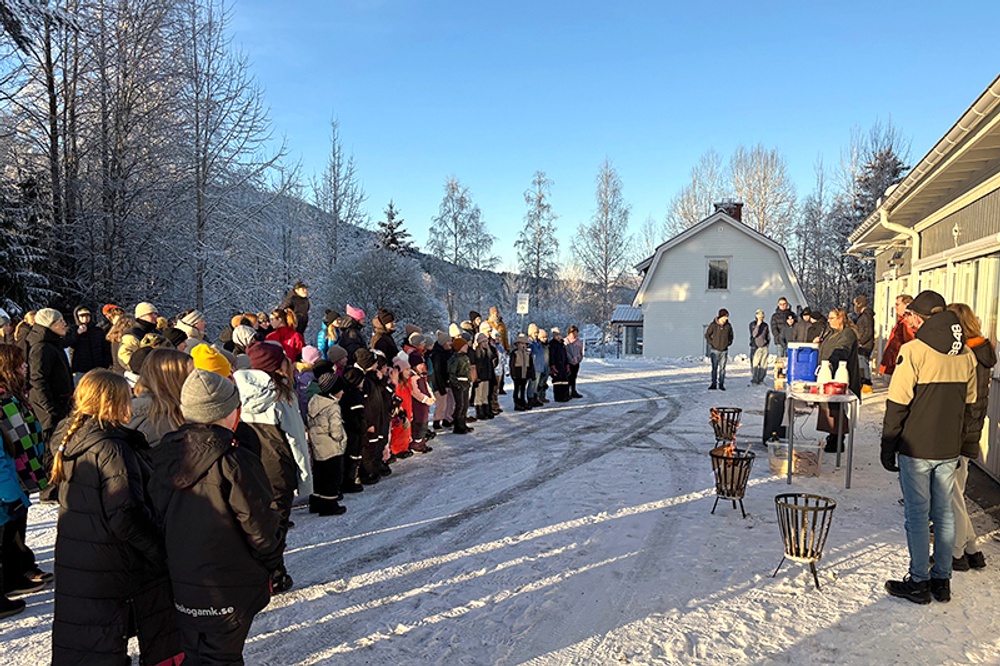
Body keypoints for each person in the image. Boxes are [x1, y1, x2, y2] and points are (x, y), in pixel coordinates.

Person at [151, 368, 283, 664]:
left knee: (200, 652)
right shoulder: (235, 461)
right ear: (229, 413)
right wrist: (268, 564)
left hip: (183, 580)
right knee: (221, 656)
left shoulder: (163, 454)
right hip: (229, 583)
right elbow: (260, 526)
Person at [50, 369, 181, 664]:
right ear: (114, 403)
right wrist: (159, 551)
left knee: (85, 637)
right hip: (109, 559)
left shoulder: (73, 435)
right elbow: (125, 513)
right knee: (106, 637)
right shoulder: (111, 448)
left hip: (81, 553)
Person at [882, 290, 977, 605]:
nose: (908, 320)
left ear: (920, 318)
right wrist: (966, 444)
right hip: (949, 448)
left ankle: (920, 582)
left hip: (917, 448)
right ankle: (942, 581)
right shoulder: (966, 354)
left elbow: (897, 405)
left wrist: (888, 445)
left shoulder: (913, 351)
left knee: (918, 516)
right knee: (945, 514)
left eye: (910, 315)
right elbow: (971, 407)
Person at [234, 341, 311, 593]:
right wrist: (305, 478)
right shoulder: (282, 395)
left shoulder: (236, 392)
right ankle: (274, 574)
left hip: (247, 465)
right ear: (279, 366)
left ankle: (255, 572)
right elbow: (296, 439)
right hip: (277, 464)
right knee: (277, 522)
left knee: (253, 521)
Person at [0, 344, 50, 610]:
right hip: (13, 474)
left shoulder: (14, 394)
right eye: (20, 365)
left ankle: (17, 572)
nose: (25, 368)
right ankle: (12, 576)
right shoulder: (4, 400)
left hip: (22, 471)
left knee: (16, 527)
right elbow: (15, 440)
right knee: (9, 530)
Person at [946, 302, 995, 572]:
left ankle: (957, 554)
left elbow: (966, 400)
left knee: (952, 494)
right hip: (971, 429)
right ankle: (973, 550)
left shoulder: (968, 354)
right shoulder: (982, 350)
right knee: (957, 494)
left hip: (960, 430)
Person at [306, 362, 349, 516]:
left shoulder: (314, 401)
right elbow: (336, 430)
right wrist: (341, 439)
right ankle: (330, 504)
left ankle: (316, 501)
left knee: (319, 476)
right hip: (331, 448)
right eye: (340, 390)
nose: (343, 392)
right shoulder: (333, 407)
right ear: (334, 391)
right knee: (332, 477)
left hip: (318, 446)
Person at [129, 348, 194, 448]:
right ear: (172, 380)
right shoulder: (158, 423)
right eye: (190, 375)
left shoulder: (174, 410)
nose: (196, 380)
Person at [26, 308, 74, 443]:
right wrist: (50, 407)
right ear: (50, 325)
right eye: (60, 321)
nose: (65, 324)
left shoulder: (53, 342)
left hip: (60, 402)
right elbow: (38, 379)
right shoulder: (42, 347)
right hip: (49, 408)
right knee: (52, 442)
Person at [816, 308, 860, 453]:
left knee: (838, 409)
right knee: (829, 408)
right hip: (828, 374)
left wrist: (830, 362)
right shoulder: (832, 333)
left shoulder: (848, 333)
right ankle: (832, 435)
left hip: (840, 375)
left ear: (841, 319)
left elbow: (842, 350)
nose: (829, 321)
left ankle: (838, 438)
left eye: (832, 318)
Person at [69, 306, 112, 378]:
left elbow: (105, 348)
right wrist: (77, 333)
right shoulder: (72, 330)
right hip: (80, 369)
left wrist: (106, 364)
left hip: (98, 368)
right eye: (82, 316)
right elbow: (65, 342)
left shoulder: (98, 331)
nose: (85, 318)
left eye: (87, 315)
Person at [879, 294, 915, 377]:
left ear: (906, 305)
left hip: (899, 365)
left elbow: (909, 343)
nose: (895, 307)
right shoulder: (900, 322)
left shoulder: (906, 323)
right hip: (893, 363)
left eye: (897, 304)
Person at [118, 302, 159, 371]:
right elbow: (124, 355)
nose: (155, 316)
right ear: (141, 316)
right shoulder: (132, 334)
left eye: (155, 314)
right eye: (151, 314)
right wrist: (139, 369)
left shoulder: (157, 332)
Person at [448, 338, 474, 434]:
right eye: (464, 346)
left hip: (465, 383)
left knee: (465, 404)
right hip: (458, 384)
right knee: (460, 404)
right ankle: (458, 425)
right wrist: (456, 383)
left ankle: (463, 423)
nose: (467, 347)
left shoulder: (465, 357)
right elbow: (452, 373)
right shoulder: (455, 359)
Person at [429, 331, 454, 430]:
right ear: (443, 343)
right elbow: (437, 372)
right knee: (441, 404)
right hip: (440, 383)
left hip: (448, 381)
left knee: (450, 402)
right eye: (448, 342)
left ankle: (447, 419)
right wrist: (440, 386)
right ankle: (436, 421)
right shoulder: (437, 355)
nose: (451, 344)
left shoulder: (449, 353)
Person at [705, 308, 733, 391]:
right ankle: (713, 384)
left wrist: (728, 343)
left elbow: (731, 335)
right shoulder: (713, 325)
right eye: (725, 317)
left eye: (727, 317)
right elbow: (707, 335)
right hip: (715, 350)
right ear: (721, 317)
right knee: (714, 368)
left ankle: (721, 384)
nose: (726, 319)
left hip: (724, 350)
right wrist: (712, 343)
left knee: (722, 368)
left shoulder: (728, 326)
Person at [854, 295, 875, 393]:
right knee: (861, 363)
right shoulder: (864, 315)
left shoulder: (866, 316)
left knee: (864, 363)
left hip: (865, 344)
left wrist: (861, 342)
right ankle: (863, 382)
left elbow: (868, 331)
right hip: (863, 343)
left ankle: (867, 384)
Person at [749, 308, 770, 385]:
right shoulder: (752, 324)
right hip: (755, 347)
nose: (761, 318)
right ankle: (754, 380)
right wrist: (758, 324)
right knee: (755, 364)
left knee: (763, 365)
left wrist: (767, 344)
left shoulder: (765, 325)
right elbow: (754, 334)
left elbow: (768, 336)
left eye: (762, 317)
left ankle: (761, 379)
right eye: (759, 316)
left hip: (764, 347)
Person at [565, 325, 584, 398]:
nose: (575, 334)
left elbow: (580, 352)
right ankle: (568, 391)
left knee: (574, 377)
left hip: (576, 363)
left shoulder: (578, 342)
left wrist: (579, 358)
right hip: (569, 363)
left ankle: (573, 390)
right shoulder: (566, 341)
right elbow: (566, 352)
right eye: (573, 332)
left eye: (576, 332)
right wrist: (571, 359)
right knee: (568, 377)